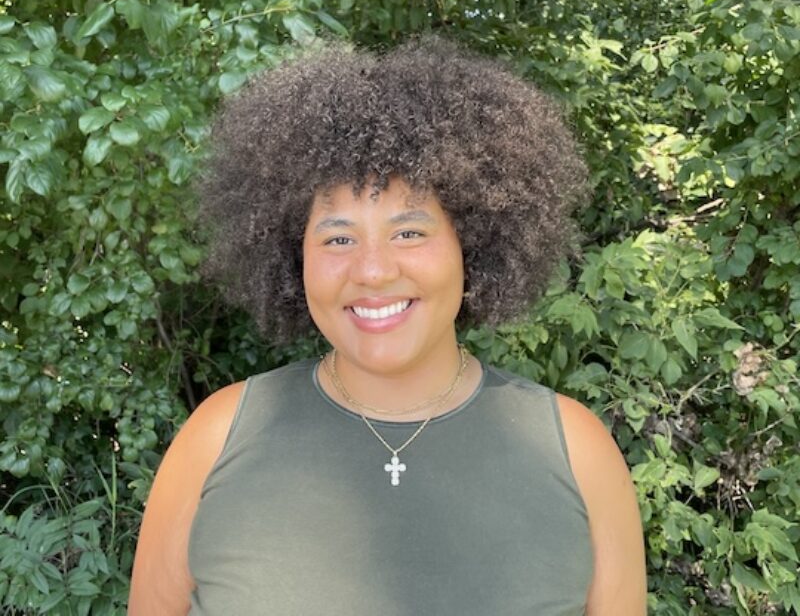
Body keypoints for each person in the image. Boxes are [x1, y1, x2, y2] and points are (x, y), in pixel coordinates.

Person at [128, 37, 647, 615]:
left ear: (471, 246)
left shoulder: (576, 451)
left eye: (409, 232)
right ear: (289, 255)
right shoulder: (216, 437)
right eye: (338, 238)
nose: (372, 270)